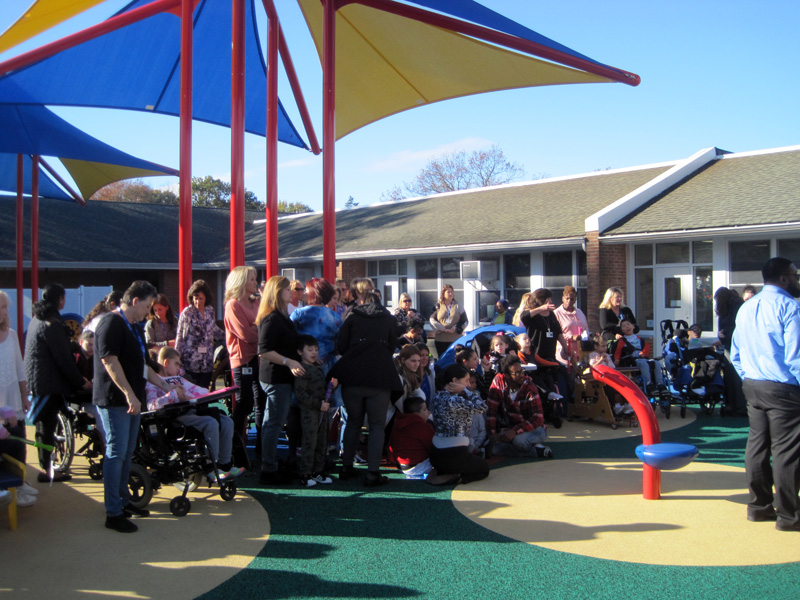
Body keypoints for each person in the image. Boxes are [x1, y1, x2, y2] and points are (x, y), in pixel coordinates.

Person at [94, 280, 179, 533]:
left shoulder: (133, 327)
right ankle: (113, 512)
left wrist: (165, 385)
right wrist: (129, 395)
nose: (148, 311)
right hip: (115, 400)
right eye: (146, 306)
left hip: (132, 400)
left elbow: (141, 366)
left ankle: (123, 501)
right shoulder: (111, 323)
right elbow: (110, 362)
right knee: (116, 452)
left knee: (126, 452)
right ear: (134, 301)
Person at [731, 257, 800, 532]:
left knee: (757, 446)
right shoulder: (790, 307)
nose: (797, 279)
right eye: (795, 274)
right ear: (783, 278)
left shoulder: (746, 307)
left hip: (752, 383)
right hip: (783, 387)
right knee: (786, 452)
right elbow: (796, 356)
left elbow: (735, 353)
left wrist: (748, 376)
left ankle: (759, 507)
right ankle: (789, 516)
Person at [332, 291, 401, 487]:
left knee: (353, 421)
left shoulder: (353, 317)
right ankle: (372, 473)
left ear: (362, 303)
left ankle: (346, 467)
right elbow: (392, 346)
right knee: (377, 425)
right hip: (380, 376)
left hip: (353, 375)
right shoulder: (388, 319)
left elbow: (342, 345)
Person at [24, 284, 92, 483]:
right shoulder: (52, 323)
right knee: (46, 428)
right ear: (60, 300)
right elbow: (63, 358)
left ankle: (47, 465)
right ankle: (47, 470)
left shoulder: (38, 319)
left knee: (43, 428)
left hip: (38, 380)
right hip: (48, 383)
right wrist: (80, 382)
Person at [146, 347, 243, 482]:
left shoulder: (179, 379)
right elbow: (152, 405)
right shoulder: (153, 382)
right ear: (166, 362)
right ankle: (210, 468)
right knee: (211, 423)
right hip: (173, 419)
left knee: (227, 421)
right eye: (177, 364)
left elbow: (200, 391)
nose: (179, 368)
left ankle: (225, 465)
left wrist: (190, 395)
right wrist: (174, 395)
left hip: (190, 412)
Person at [256, 276, 305, 485]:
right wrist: (289, 362)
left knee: (273, 422)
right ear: (277, 293)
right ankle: (269, 468)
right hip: (275, 377)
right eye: (287, 290)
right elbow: (264, 350)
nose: (291, 292)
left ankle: (271, 463)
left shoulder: (282, 316)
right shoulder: (272, 318)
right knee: (274, 424)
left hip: (281, 377)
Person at [0, 291, 38, 503]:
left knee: (19, 439)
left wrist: (25, 396)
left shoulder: (12, 335)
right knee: (5, 443)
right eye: (0, 307)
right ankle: (11, 486)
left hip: (13, 396)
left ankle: (21, 482)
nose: (3, 311)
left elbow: (19, 369)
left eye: (5, 307)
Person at [224, 266, 265, 456]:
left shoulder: (255, 303)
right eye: (251, 279)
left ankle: (261, 446)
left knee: (261, 401)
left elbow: (261, 327)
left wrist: (256, 329)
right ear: (241, 282)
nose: (255, 282)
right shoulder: (233, 305)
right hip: (242, 361)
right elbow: (246, 334)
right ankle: (234, 446)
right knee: (244, 402)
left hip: (258, 358)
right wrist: (258, 330)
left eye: (255, 278)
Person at [429, 363, 489, 484]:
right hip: (453, 454)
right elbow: (482, 407)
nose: (468, 384)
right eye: (466, 381)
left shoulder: (436, 397)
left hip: (435, 454)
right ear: (455, 380)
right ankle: (456, 477)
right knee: (484, 469)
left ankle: (442, 472)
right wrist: (467, 391)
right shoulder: (454, 400)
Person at [486, 354, 552, 459]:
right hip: (510, 428)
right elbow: (491, 411)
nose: (521, 375)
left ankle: (537, 452)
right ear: (506, 375)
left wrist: (514, 431)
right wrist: (493, 434)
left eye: (522, 371)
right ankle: (534, 447)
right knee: (493, 447)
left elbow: (538, 419)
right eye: (517, 373)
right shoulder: (498, 381)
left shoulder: (530, 387)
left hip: (535, 428)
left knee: (519, 441)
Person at [293, 335, 335, 487]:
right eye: (309, 350)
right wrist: (318, 405)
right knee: (310, 442)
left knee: (322, 441)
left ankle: (318, 471)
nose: (314, 353)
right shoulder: (302, 370)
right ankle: (305, 473)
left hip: (321, 411)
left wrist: (332, 387)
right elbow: (301, 394)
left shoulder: (316, 368)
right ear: (299, 351)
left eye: (316, 350)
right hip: (310, 412)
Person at [175, 280, 224, 389]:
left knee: (204, 391)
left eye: (200, 298)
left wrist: (227, 337)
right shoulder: (187, 313)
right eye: (195, 298)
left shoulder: (210, 311)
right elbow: (180, 337)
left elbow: (213, 328)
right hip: (191, 361)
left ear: (206, 298)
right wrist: (177, 359)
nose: (198, 302)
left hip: (207, 361)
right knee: (192, 392)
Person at [388, 395, 434, 479]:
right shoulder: (422, 426)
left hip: (400, 465)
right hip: (418, 466)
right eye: (425, 409)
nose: (428, 412)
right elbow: (432, 447)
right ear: (416, 413)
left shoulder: (397, 423)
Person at [553, 285, 589, 367]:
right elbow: (556, 333)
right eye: (567, 298)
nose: (569, 301)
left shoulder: (579, 312)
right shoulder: (557, 313)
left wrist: (586, 336)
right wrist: (571, 337)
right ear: (563, 299)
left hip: (580, 351)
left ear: (575, 300)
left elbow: (586, 328)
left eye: (572, 299)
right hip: (564, 351)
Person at [429, 284, 468, 358]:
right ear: (443, 294)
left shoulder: (458, 305)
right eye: (448, 292)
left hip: (455, 340)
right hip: (441, 340)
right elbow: (431, 319)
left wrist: (456, 327)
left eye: (452, 292)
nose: (450, 294)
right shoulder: (438, 305)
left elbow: (465, 321)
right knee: (442, 360)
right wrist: (441, 328)